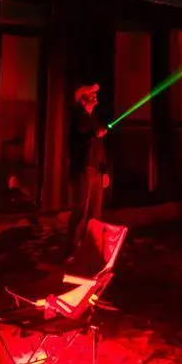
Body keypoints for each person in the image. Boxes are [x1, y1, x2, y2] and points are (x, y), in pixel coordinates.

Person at [67, 83, 110, 256]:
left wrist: (104, 171)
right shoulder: (78, 118)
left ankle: (90, 249)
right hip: (83, 169)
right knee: (81, 210)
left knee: (95, 212)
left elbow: (99, 148)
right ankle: (71, 250)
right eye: (91, 95)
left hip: (96, 171)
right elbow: (79, 140)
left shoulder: (94, 120)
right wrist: (94, 134)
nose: (95, 97)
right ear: (83, 100)